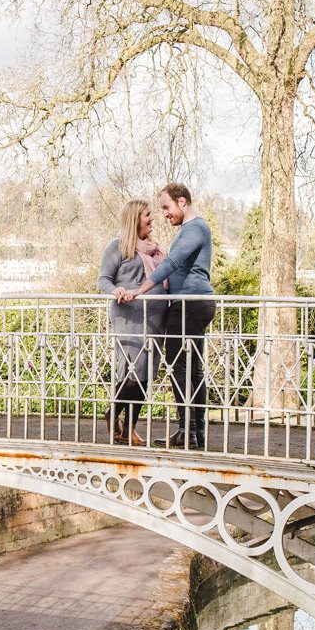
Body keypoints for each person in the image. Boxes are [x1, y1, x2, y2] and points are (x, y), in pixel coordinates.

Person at [117, 182, 214, 449]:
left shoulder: (195, 228)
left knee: (182, 368)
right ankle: (194, 433)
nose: (164, 214)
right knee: (192, 369)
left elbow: (172, 264)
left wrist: (141, 289)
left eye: (166, 207)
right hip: (192, 303)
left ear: (182, 202)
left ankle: (188, 431)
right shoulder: (189, 229)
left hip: (190, 305)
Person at [97, 199, 165, 445]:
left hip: (156, 318)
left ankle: (129, 429)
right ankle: (112, 412)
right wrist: (116, 291)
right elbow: (103, 279)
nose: (152, 219)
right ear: (135, 219)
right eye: (148, 215)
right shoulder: (117, 247)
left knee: (145, 375)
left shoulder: (155, 249)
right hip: (129, 317)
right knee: (133, 372)